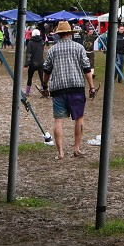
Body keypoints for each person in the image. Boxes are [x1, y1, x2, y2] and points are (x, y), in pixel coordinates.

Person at [43, 21, 97, 160]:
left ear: (59, 35)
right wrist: (91, 86)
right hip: (76, 87)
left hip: (58, 89)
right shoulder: (79, 48)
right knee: (79, 118)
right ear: (70, 33)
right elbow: (86, 69)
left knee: (58, 120)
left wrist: (44, 84)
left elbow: (47, 70)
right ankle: (76, 149)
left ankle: (60, 152)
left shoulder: (53, 50)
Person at [24, 28, 47, 97]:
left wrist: (26, 64)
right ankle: (44, 90)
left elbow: (28, 54)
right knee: (42, 78)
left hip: (32, 63)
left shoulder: (30, 43)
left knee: (30, 78)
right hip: (41, 62)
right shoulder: (42, 42)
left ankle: (27, 92)